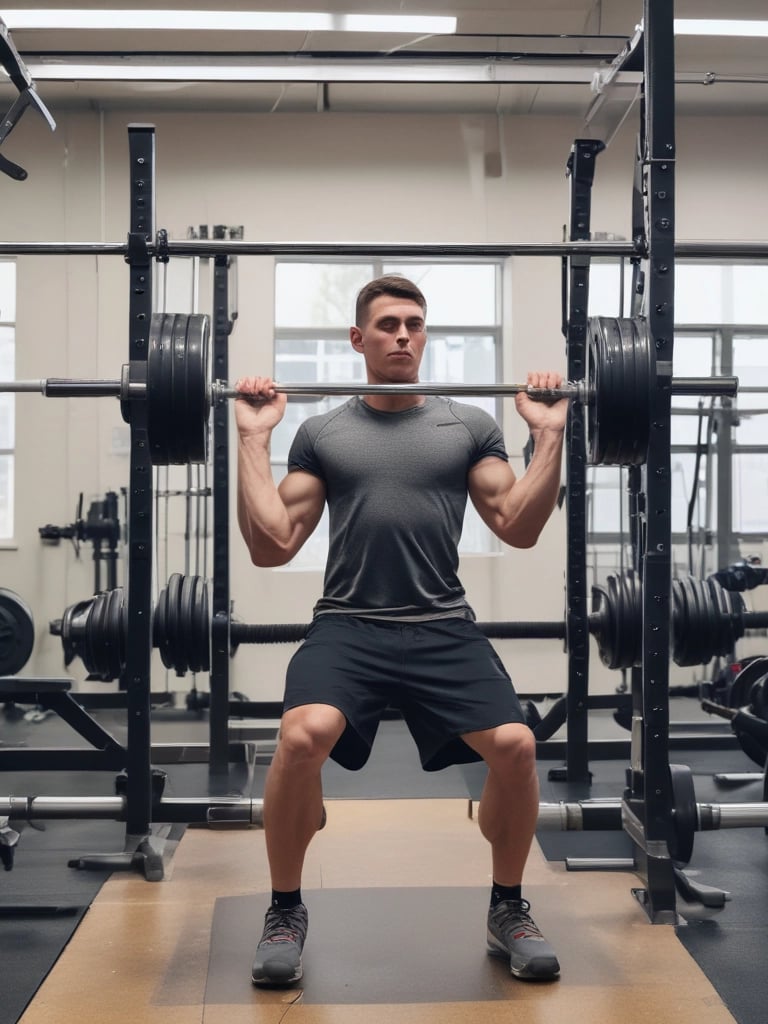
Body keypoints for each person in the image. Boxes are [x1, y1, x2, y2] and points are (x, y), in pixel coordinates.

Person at [235, 274, 567, 988]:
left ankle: (507, 907)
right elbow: (273, 543)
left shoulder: (468, 426)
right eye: (387, 325)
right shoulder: (324, 432)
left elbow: (518, 525)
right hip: (348, 625)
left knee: (515, 747)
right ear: (358, 339)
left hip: (442, 625)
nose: (403, 336)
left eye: (414, 324)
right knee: (300, 737)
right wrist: (252, 440)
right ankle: (285, 911)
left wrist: (548, 437)